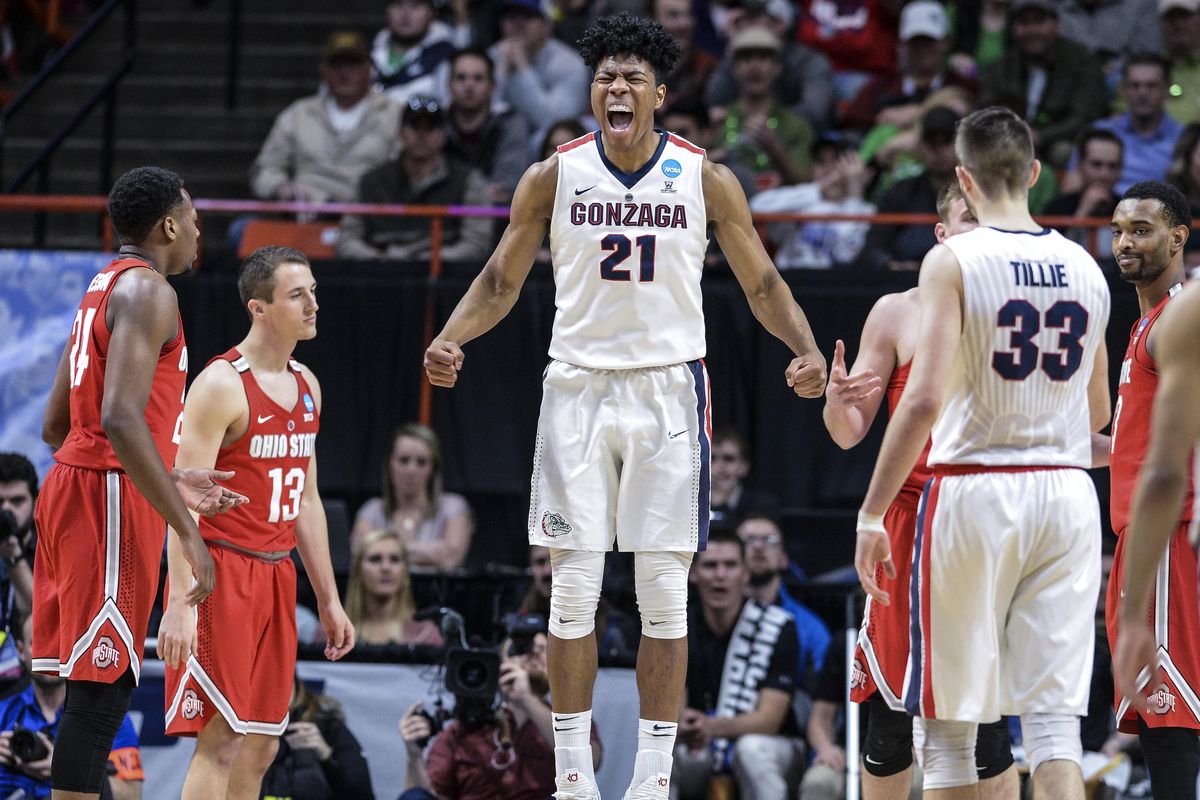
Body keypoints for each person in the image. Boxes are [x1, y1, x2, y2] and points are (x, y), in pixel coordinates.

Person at [423, 13, 827, 800]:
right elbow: (503, 280)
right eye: (605, 76)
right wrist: (451, 337)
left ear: (659, 94)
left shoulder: (706, 176)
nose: (617, 87)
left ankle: (650, 776)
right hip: (577, 384)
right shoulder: (554, 174)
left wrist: (805, 348)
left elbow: (764, 284)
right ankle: (574, 775)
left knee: (661, 592)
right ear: (591, 91)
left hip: (667, 389)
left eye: (632, 77)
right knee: (573, 586)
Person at [854, 106, 1111, 798]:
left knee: (947, 729)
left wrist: (873, 512)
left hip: (973, 490)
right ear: (1034, 174)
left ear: (963, 178)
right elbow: (1100, 414)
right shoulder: (1087, 264)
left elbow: (924, 399)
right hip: (1065, 493)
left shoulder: (952, 259)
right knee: (1055, 725)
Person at [34, 166, 243, 800]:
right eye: (196, 221)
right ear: (169, 225)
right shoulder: (151, 292)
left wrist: (169, 473)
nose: (200, 233)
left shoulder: (101, 286)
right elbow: (118, 418)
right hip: (107, 498)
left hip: (75, 486)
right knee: (101, 696)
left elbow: (56, 424)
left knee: (90, 690)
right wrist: (187, 528)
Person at [824, 180, 1019, 800]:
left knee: (981, 718)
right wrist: (835, 402)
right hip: (907, 519)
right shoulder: (895, 310)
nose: (981, 232)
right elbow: (850, 432)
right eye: (968, 220)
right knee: (889, 713)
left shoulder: (1021, 312)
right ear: (940, 236)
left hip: (983, 517)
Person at [156, 245, 354, 800]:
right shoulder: (221, 384)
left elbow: (307, 501)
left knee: (263, 743)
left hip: (277, 574)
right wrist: (179, 602)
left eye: (313, 290)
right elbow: (183, 502)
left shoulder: (308, 383)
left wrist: (329, 599)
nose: (313, 303)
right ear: (258, 308)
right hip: (221, 576)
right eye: (298, 294)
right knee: (220, 739)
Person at [1103, 181, 1200, 798]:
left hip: (1169, 533)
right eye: (1117, 230)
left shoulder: (1178, 321)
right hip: (1148, 529)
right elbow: (1130, 444)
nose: (1124, 243)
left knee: (1170, 717)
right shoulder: (1148, 327)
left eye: (1140, 229)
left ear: (1178, 236)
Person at [673, 530, 803, 800]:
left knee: (751, 749)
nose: (720, 575)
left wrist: (708, 727)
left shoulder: (778, 626)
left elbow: (769, 720)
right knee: (678, 752)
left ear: (745, 573)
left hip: (774, 744)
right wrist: (681, 723)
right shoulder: (677, 628)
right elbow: (673, 704)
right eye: (710, 565)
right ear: (693, 573)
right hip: (701, 745)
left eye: (730, 565)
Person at [399, 628, 602, 800]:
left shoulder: (570, 719)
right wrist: (414, 755)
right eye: (521, 649)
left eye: (543, 649)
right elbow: (431, 794)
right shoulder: (463, 730)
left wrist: (527, 699)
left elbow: (588, 763)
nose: (533, 654)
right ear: (499, 665)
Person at [0, 614, 143, 800]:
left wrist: (66, 768)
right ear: (20, 650)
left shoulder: (108, 716)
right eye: (39, 643)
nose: (50, 652)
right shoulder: (4, 712)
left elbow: (132, 794)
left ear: (72, 645)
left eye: (59, 643)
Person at [249, 32, 400, 206]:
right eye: (337, 65)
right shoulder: (298, 114)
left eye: (353, 64)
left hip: (366, 213)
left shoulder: (394, 114)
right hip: (305, 212)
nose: (344, 73)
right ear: (323, 71)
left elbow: (408, 172)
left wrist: (375, 198)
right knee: (242, 228)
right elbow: (265, 168)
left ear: (370, 70)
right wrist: (281, 187)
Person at [337, 95, 494, 262]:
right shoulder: (371, 182)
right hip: (380, 277)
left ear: (443, 135)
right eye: (415, 126)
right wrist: (380, 261)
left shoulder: (468, 181)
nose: (422, 135)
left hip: (444, 279)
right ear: (401, 132)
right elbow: (347, 240)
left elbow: (477, 243)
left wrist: (430, 261)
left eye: (431, 127)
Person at [978, 0, 1107, 169]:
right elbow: (987, 110)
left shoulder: (1082, 61)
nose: (1032, 30)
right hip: (1009, 140)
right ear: (1013, 28)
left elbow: (1083, 117)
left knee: (1063, 151)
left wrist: (1040, 136)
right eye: (1024, 23)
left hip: (1059, 140)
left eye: (1039, 21)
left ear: (1056, 24)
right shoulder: (1000, 67)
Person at [350, 423, 473, 570]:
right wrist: (428, 552)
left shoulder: (453, 507)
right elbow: (358, 552)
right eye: (404, 460)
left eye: (421, 462)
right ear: (390, 463)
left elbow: (451, 556)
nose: (411, 470)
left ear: (433, 469)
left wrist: (382, 552)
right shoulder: (372, 509)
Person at [855, 105, 962, 271]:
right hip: (906, 281)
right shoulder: (900, 192)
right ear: (920, 146)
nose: (939, 150)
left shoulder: (978, 195)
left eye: (946, 141)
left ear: (960, 145)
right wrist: (893, 265)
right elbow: (873, 249)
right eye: (932, 143)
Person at [736, 514, 831, 683]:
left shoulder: (810, 628)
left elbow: (823, 693)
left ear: (784, 559)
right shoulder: (716, 614)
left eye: (769, 540)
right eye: (749, 540)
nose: (758, 546)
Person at [489, 0, 591, 148]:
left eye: (527, 16)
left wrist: (523, 69)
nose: (518, 24)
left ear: (547, 24)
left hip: (552, 151)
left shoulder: (569, 63)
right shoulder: (491, 58)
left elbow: (555, 122)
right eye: (510, 17)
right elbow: (479, 115)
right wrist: (500, 74)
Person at [259, 673, 374, 800]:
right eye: (263, 686)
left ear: (295, 683)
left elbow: (362, 794)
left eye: (281, 684)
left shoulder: (326, 724)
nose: (274, 693)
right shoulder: (242, 729)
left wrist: (327, 756)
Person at [443, 46, 533, 203]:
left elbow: (507, 188)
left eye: (478, 78)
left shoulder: (510, 124)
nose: (469, 86)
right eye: (461, 78)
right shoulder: (436, 123)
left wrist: (454, 194)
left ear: (492, 86)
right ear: (449, 85)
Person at [1089, 53, 1184, 195]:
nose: (1142, 93)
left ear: (1166, 90)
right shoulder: (1099, 132)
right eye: (1135, 85)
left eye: (1151, 86)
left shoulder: (1184, 138)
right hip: (1105, 213)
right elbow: (1073, 189)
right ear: (1123, 90)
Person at [344, 528, 443, 647]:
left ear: (405, 572)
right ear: (358, 571)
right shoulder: (331, 633)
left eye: (395, 559)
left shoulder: (425, 635)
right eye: (375, 559)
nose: (386, 567)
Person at [1045, 127, 1124, 255]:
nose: (1104, 174)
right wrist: (1082, 213)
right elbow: (1054, 259)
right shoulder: (1057, 208)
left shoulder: (1132, 211)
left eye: (1112, 166)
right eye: (1096, 165)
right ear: (1080, 166)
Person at [371, 0, 457, 106]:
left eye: (415, 6)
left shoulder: (445, 55)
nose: (405, 14)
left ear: (432, 13)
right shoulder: (369, 53)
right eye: (398, 5)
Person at [709, 429, 780, 526]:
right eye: (711, 458)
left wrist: (721, 502)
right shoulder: (690, 503)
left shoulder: (762, 505)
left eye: (729, 459)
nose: (719, 467)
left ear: (744, 467)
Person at [0, 453, 37, 625]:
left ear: (36, 501)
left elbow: (40, 615)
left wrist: (14, 556)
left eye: (17, 501)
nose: (6, 509)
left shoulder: (50, 549)